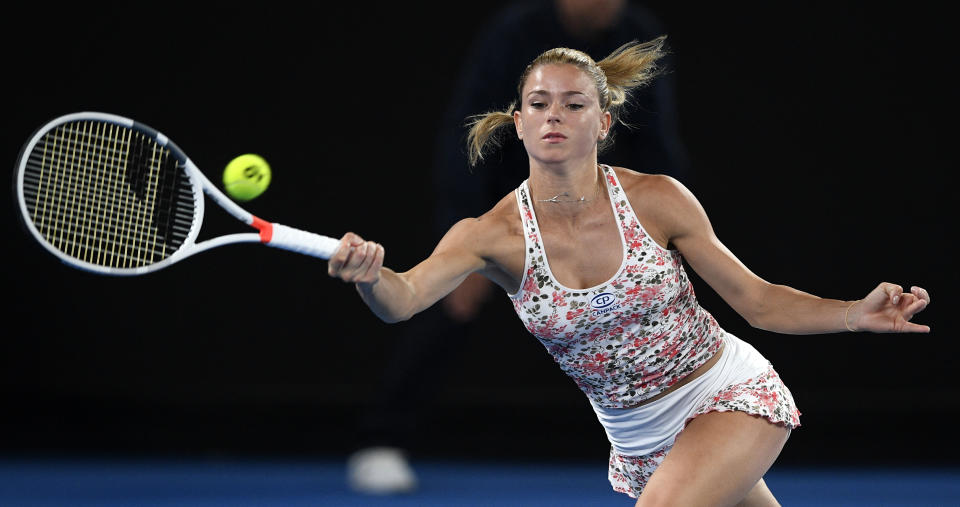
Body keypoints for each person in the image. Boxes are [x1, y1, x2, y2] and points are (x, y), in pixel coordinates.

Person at [328, 37, 931, 504]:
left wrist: (855, 313)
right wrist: (369, 276)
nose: (553, 116)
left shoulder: (657, 199)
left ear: (605, 122)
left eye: (573, 103)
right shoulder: (491, 235)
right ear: (519, 122)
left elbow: (759, 302)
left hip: (726, 393)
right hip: (639, 441)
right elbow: (403, 299)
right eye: (538, 104)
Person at [347, 0, 690, 494]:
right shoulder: (515, 31)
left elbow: (657, 139)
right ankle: (381, 441)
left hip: (599, 200)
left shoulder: (639, 32)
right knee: (448, 309)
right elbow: (466, 133)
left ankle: (682, 440)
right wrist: (466, 229)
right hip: (504, 198)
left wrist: (665, 227)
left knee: (658, 316)